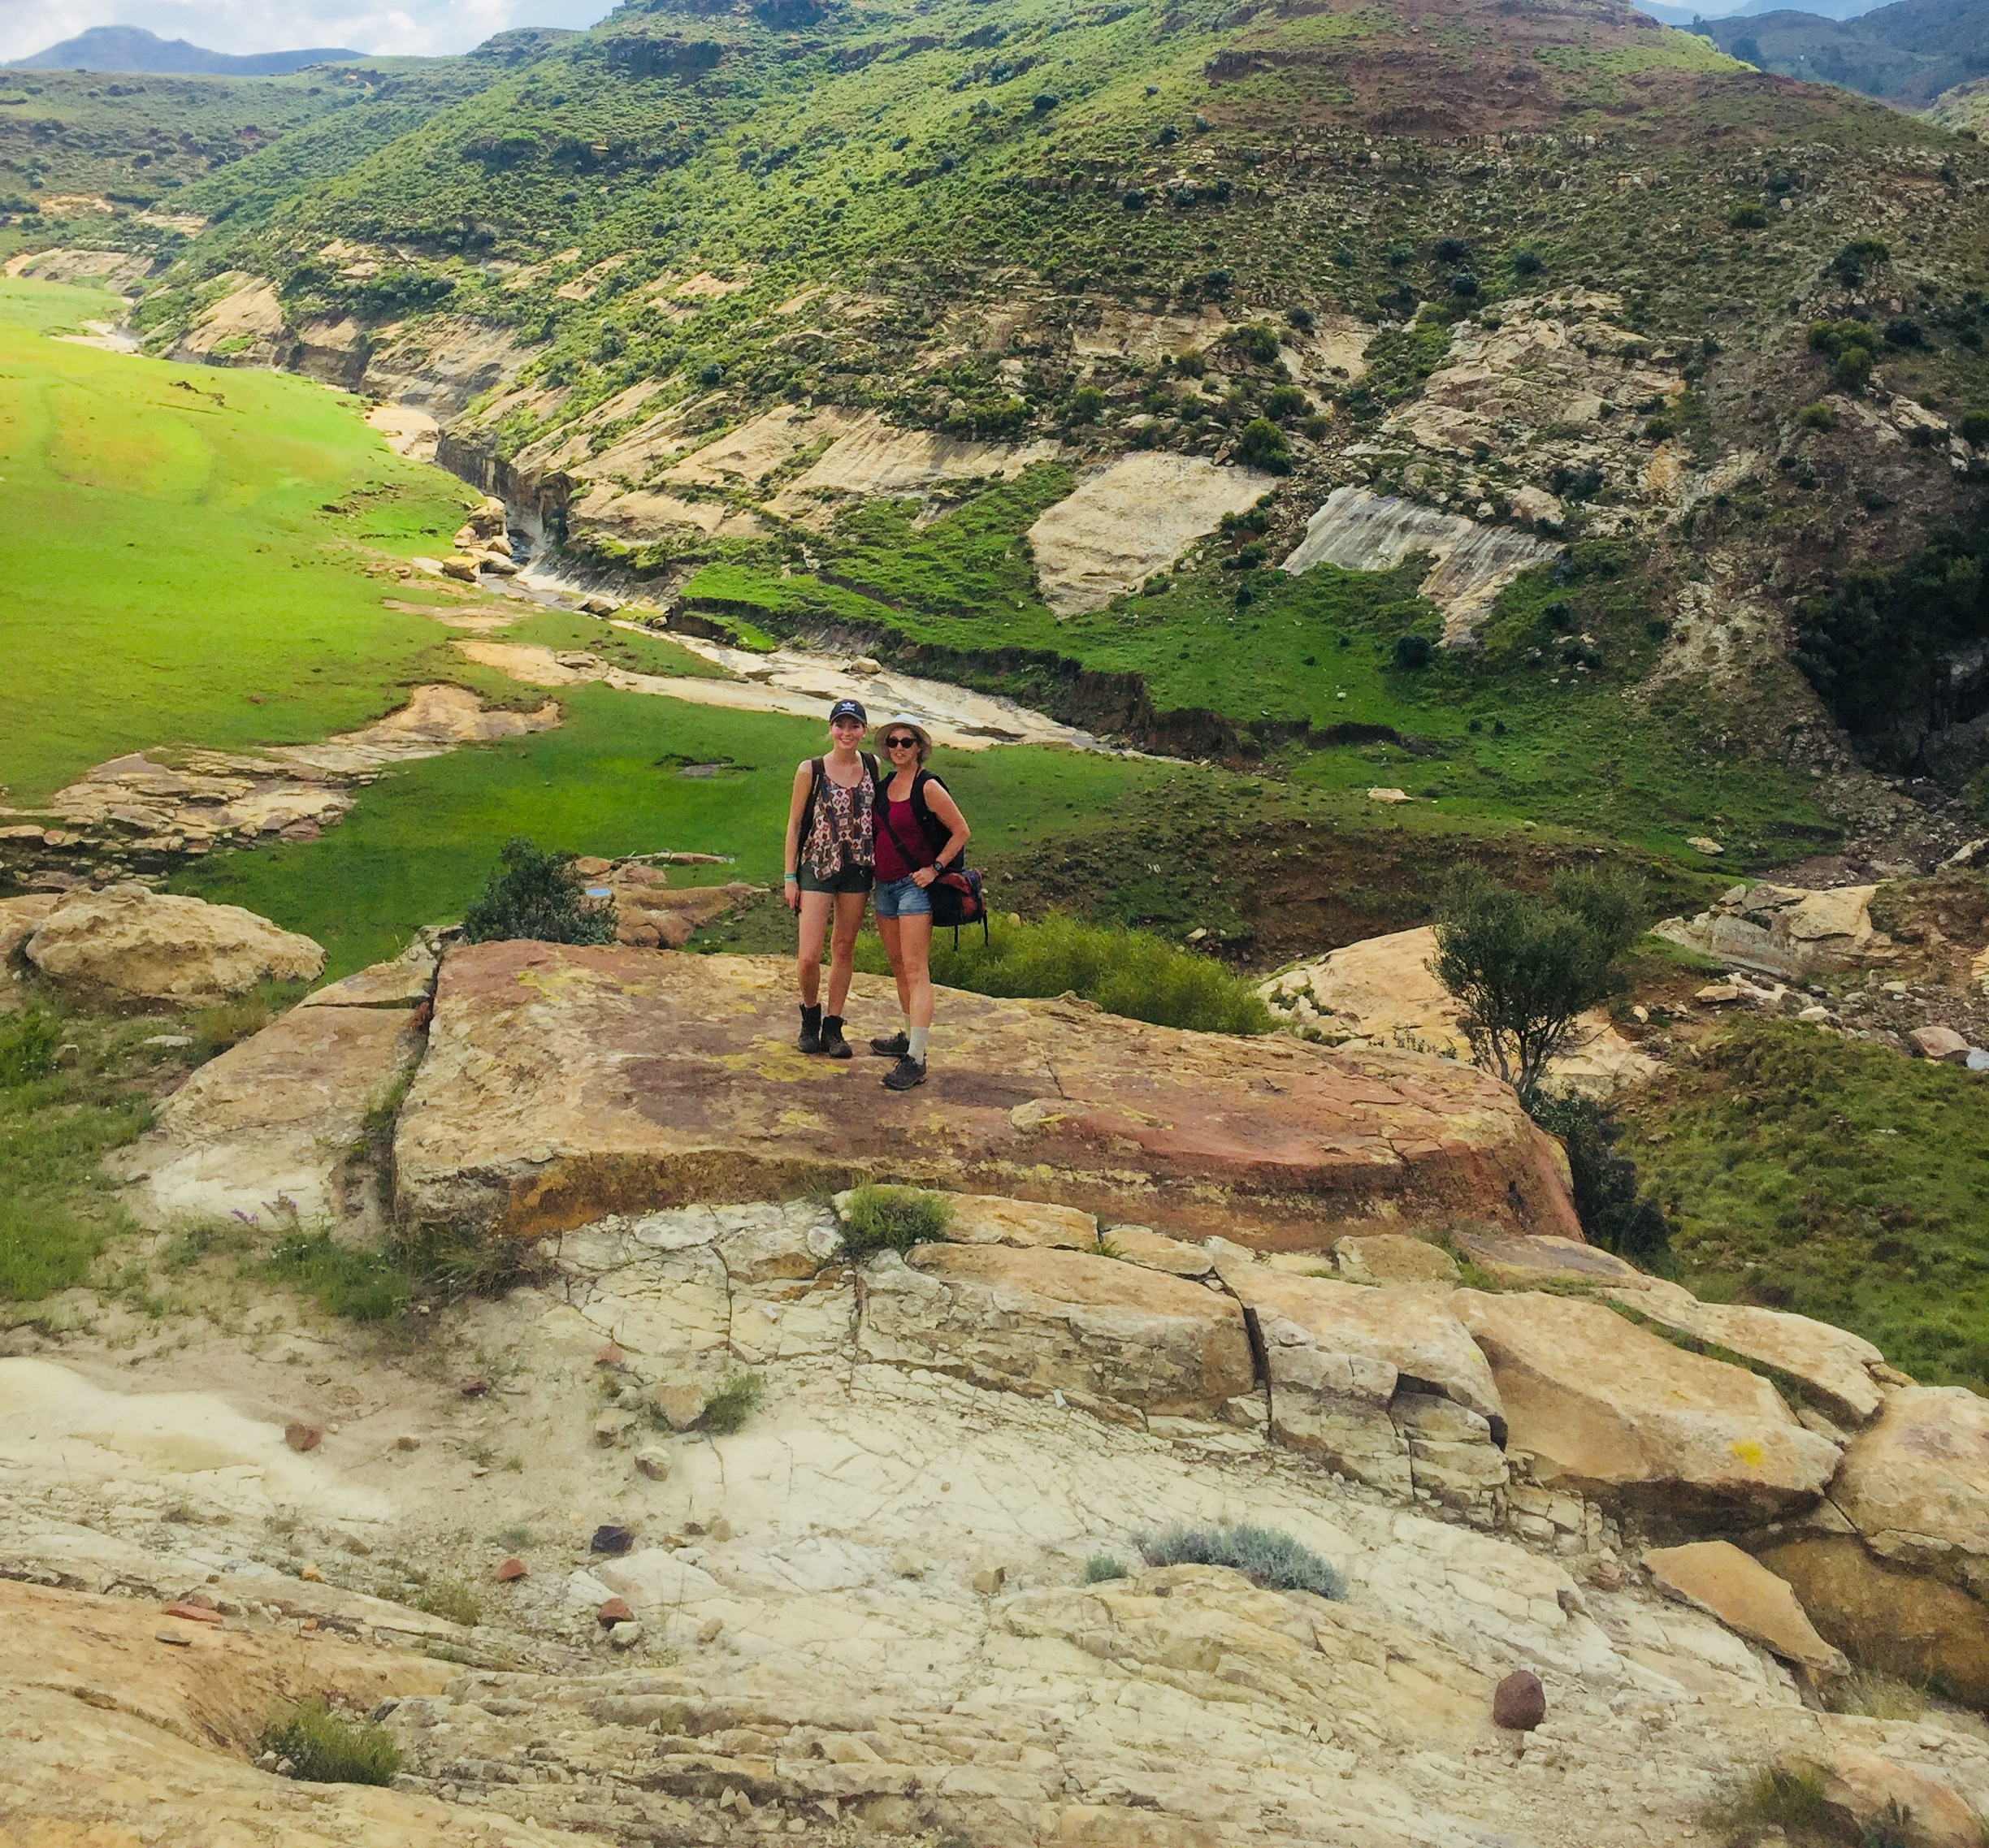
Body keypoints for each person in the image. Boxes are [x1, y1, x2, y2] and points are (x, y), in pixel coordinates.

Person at [868, 712, 969, 1092]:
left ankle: (916, 1058)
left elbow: (961, 830)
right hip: (884, 887)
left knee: (915, 970)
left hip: (914, 888)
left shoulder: (928, 787)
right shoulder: (885, 787)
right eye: (892, 742)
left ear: (919, 747)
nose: (898, 748)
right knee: (898, 966)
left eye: (906, 742)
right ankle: (909, 1037)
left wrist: (935, 868)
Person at [784, 698, 878, 1058]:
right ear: (831, 729)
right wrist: (790, 876)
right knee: (809, 955)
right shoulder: (811, 770)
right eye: (841, 725)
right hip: (817, 864)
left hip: (858, 866)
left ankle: (834, 1027)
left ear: (864, 730)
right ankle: (810, 1017)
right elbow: (795, 825)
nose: (847, 733)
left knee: (843, 948)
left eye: (854, 726)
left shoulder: (873, 765)